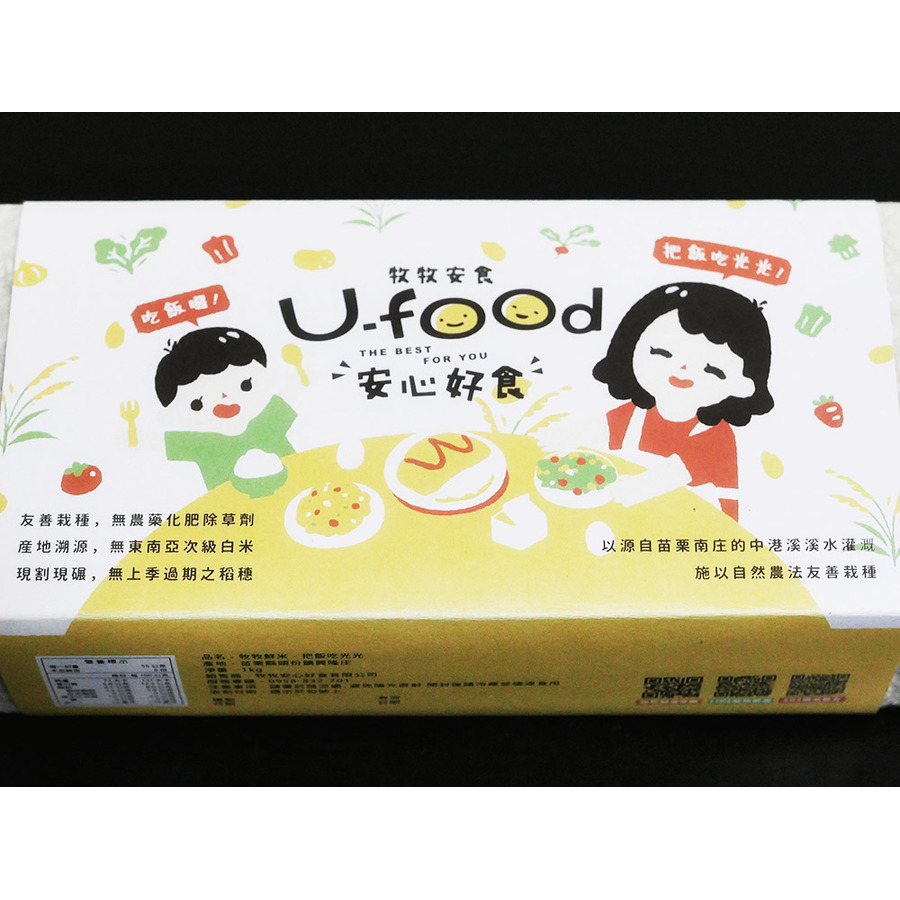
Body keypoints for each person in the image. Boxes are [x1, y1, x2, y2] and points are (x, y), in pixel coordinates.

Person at [592, 282, 774, 520]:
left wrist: (635, 488)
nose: (683, 369)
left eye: (712, 370)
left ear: (744, 386)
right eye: (662, 353)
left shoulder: (716, 436)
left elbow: (680, 471)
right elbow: (595, 430)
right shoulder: (634, 415)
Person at [155, 327, 297, 498]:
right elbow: (153, 443)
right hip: (234, 511)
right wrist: (131, 424)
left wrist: (300, 368)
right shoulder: (199, 443)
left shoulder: (268, 419)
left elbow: (297, 390)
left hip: (301, 495)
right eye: (197, 404)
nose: (224, 399)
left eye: (245, 385)